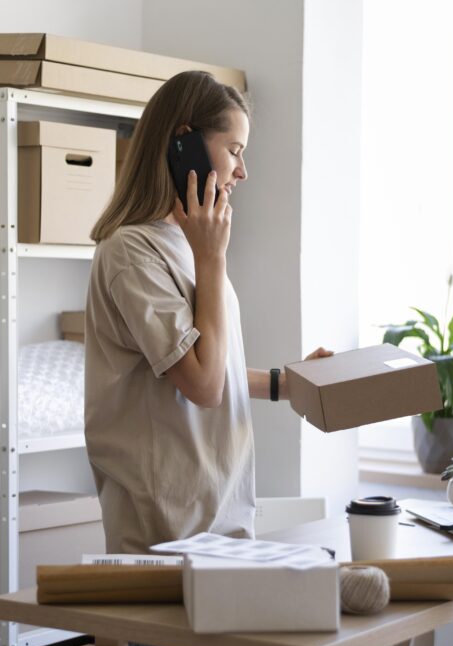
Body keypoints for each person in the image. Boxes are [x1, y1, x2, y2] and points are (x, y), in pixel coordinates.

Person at [85, 70, 332, 561]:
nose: (243, 172)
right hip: (167, 539)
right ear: (185, 145)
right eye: (235, 150)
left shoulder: (185, 244)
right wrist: (213, 258)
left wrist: (288, 383)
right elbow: (203, 385)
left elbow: (210, 364)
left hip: (221, 525)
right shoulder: (133, 252)